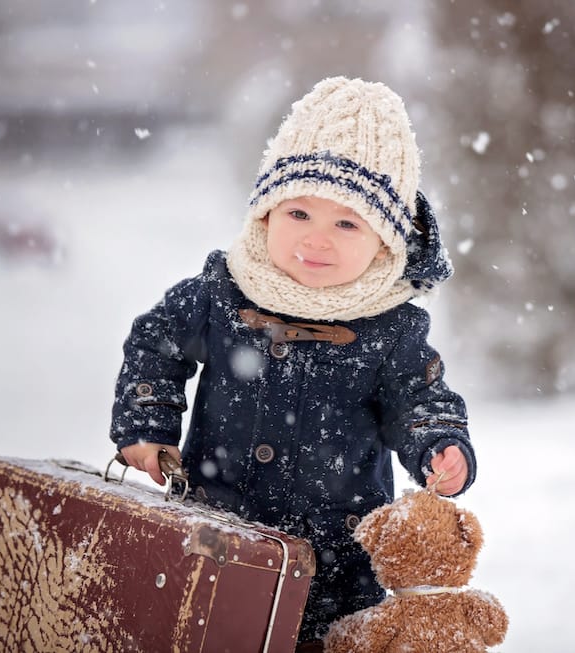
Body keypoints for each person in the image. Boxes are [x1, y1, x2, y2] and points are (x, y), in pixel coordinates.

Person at [109, 76, 477, 647]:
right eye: (299, 214)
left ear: (385, 243)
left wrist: (439, 444)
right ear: (265, 214)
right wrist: (147, 424)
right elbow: (155, 343)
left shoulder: (391, 327)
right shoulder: (224, 291)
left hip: (334, 565)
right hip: (215, 536)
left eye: (347, 223)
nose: (317, 240)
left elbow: (419, 400)